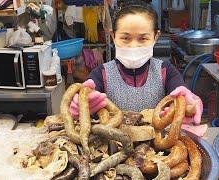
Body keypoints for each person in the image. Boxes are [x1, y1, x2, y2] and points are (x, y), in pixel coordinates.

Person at [70, 1, 206, 136]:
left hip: (157, 152)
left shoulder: (166, 71)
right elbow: (86, 104)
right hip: (112, 149)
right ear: (113, 37)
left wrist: (192, 104)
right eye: (125, 38)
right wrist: (80, 109)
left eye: (143, 39)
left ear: (155, 37)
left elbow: (182, 96)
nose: (133, 46)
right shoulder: (101, 74)